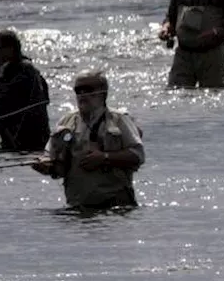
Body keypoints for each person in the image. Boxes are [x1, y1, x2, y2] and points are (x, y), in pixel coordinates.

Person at [32, 71, 144, 211]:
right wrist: (45, 165)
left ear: (103, 93)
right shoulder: (66, 122)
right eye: (79, 90)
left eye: (89, 90)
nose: (83, 94)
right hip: (77, 207)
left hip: (117, 209)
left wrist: (104, 158)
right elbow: (51, 159)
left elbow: (138, 155)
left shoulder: (119, 120)